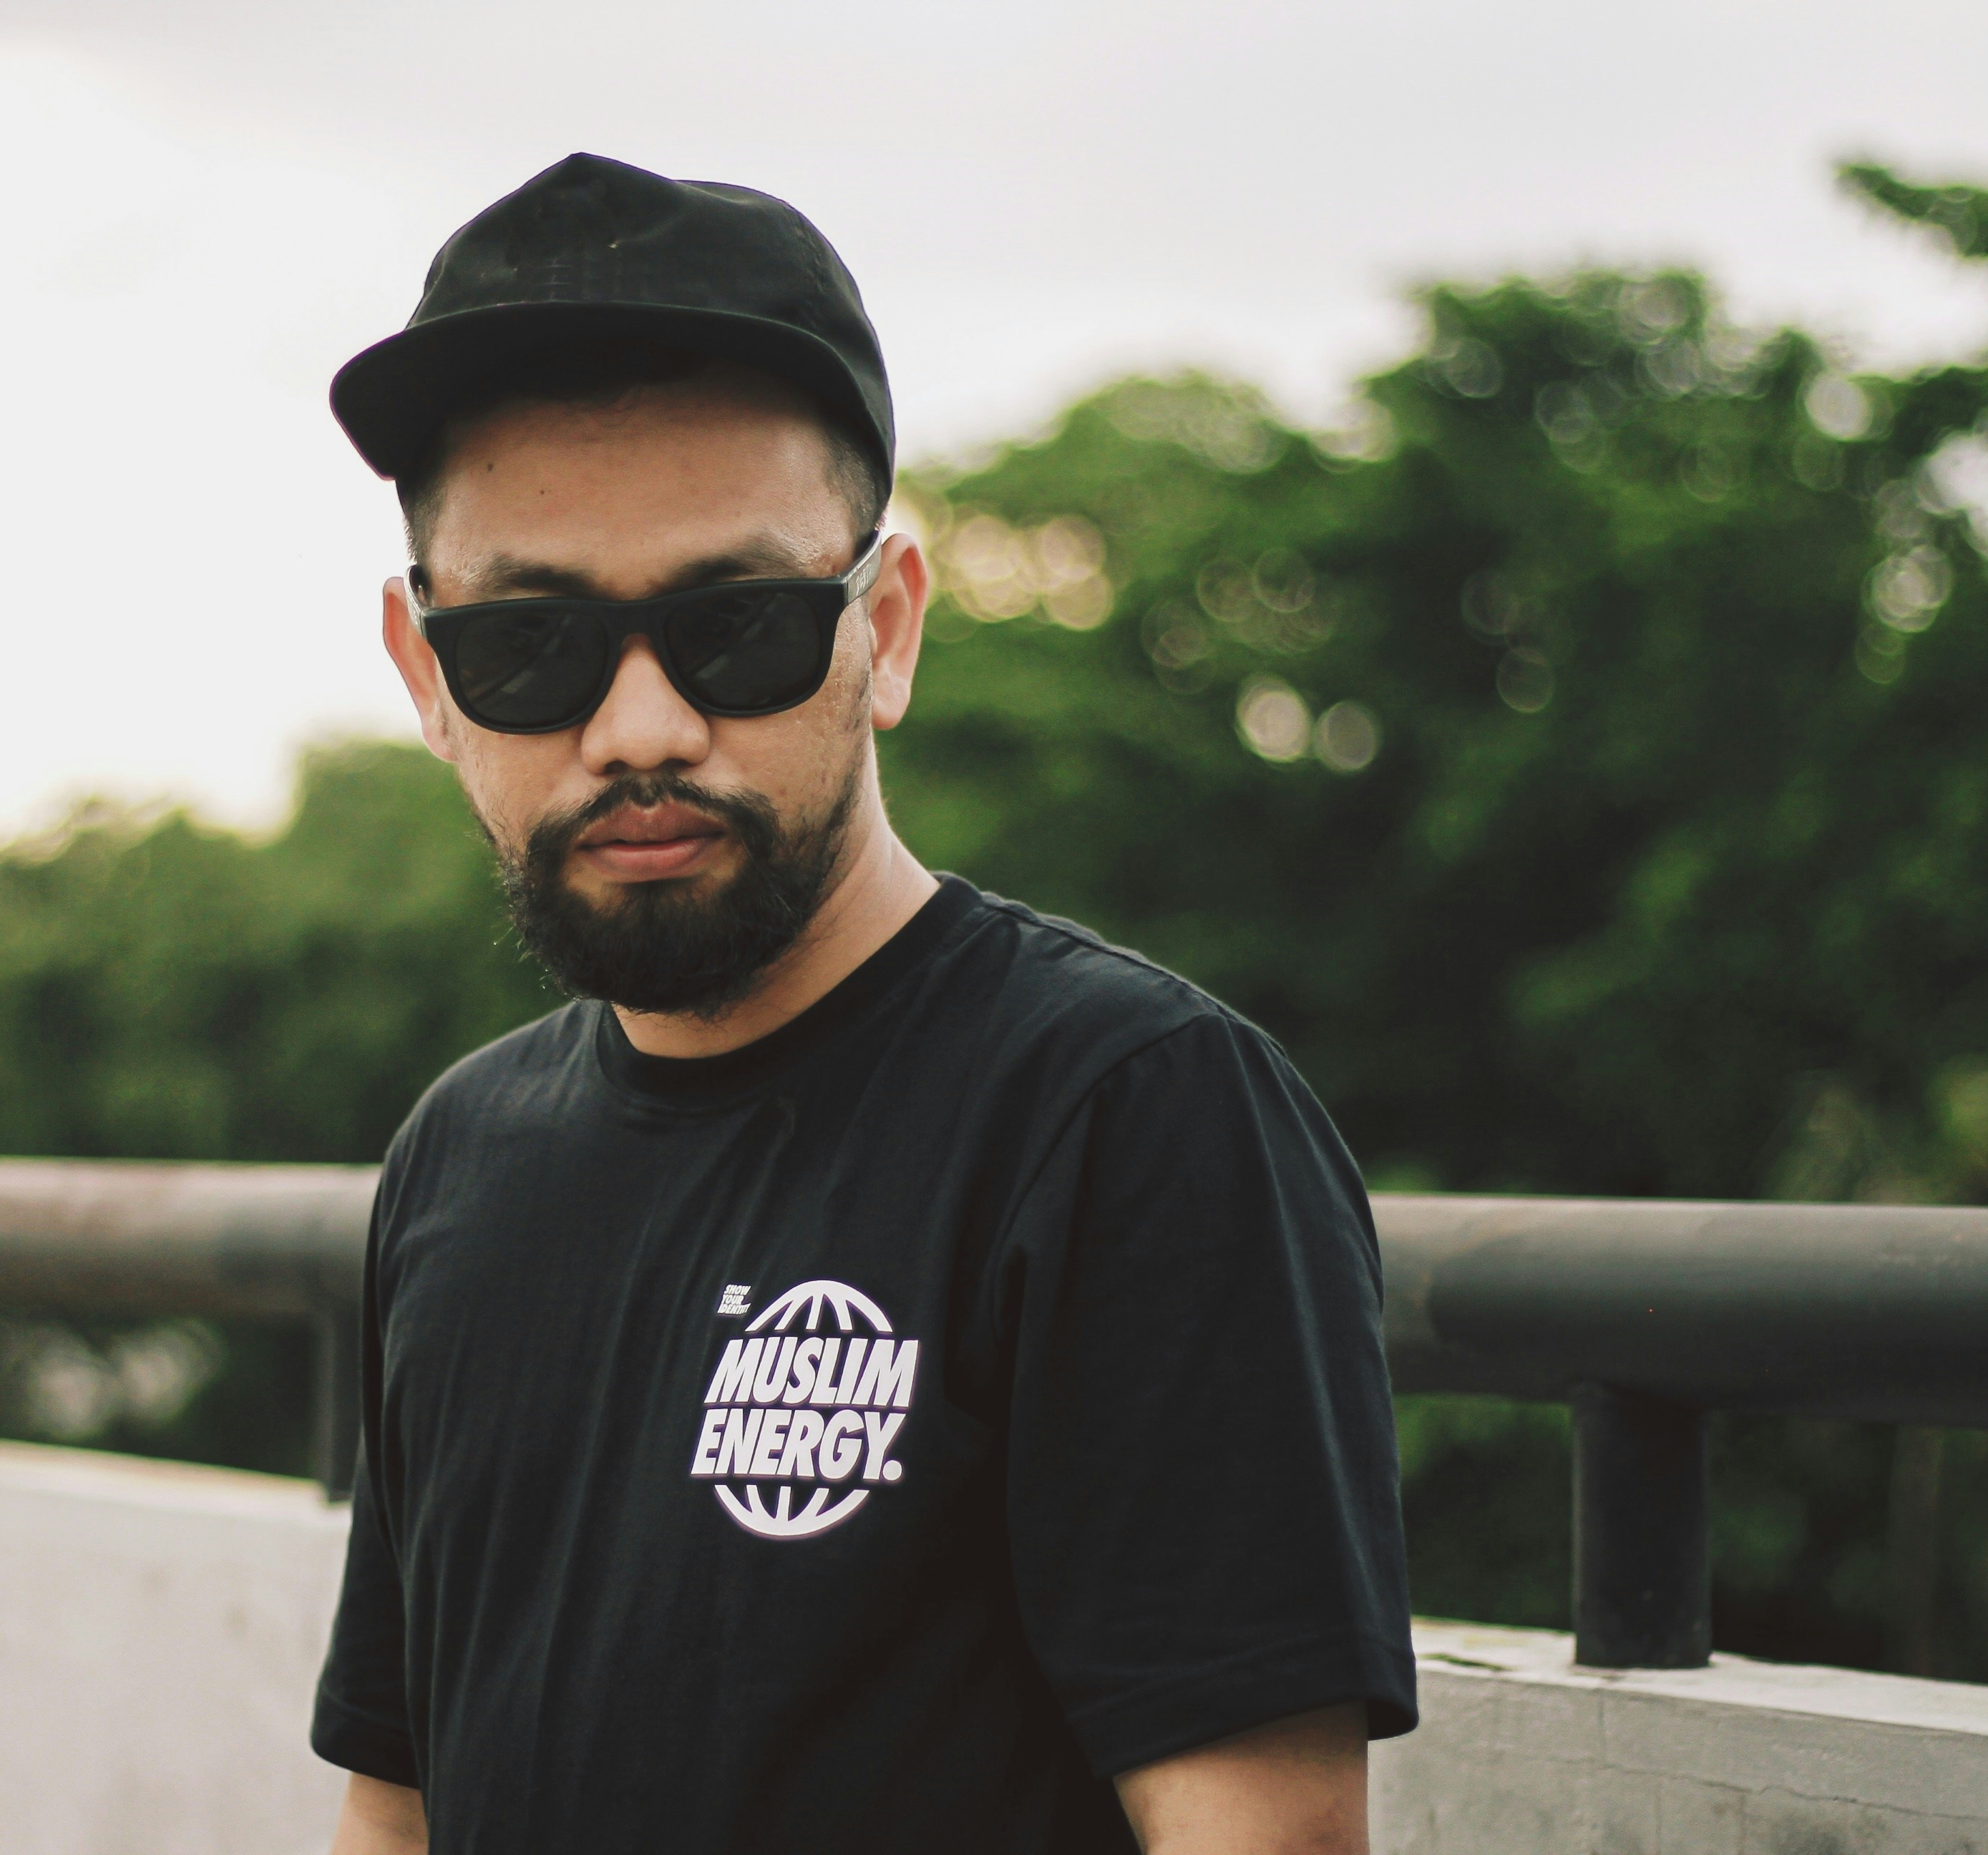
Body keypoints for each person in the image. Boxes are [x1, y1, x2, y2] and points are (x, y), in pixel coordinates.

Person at [311, 152, 1415, 1854]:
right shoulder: (457, 1161)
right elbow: (402, 1812)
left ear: (884, 631)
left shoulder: (1128, 1116)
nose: (642, 726)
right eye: (528, 647)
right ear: (425, 677)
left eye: (736, 627)